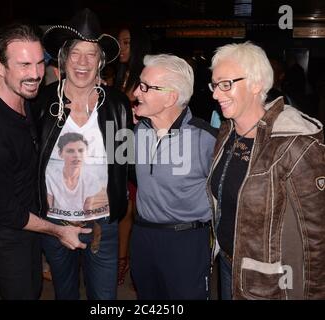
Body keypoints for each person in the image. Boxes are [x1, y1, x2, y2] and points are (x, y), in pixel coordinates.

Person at [0, 23, 91, 300]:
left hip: (26, 216)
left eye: (39, 62)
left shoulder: (17, 93)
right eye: (23, 65)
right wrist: (59, 231)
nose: (34, 74)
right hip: (7, 233)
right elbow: (10, 213)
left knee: (34, 288)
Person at [207, 41, 325, 300]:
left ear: (256, 84)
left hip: (268, 282)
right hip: (228, 265)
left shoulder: (294, 141)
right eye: (214, 85)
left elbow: (316, 236)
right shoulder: (228, 132)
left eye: (226, 84)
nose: (216, 94)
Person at [33, 8, 131, 300]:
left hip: (103, 225)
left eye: (91, 54)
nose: (83, 63)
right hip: (54, 224)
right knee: (65, 293)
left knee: (104, 298)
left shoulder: (117, 104)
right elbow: (19, 153)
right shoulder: (41, 102)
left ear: (101, 61)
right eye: (75, 53)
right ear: (63, 58)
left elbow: (126, 160)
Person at [130, 54, 217, 299]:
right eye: (140, 84)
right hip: (143, 237)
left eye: (146, 87)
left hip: (186, 242)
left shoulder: (205, 139)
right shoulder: (137, 131)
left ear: (170, 97)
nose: (137, 91)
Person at [115, 26, 151, 286]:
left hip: (141, 142)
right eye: (119, 43)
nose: (122, 48)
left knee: (140, 206)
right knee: (123, 204)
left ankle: (134, 259)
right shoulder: (119, 75)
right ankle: (121, 258)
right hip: (118, 141)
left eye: (126, 42)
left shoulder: (146, 75)